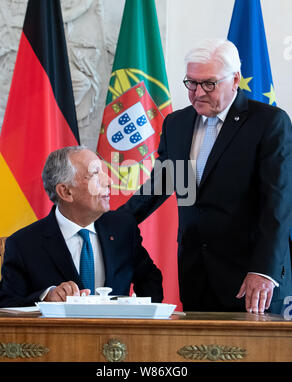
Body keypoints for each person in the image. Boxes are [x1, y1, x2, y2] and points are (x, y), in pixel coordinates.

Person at [121, 38, 292, 314]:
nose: (197, 93)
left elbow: (278, 205)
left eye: (208, 84)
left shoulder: (269, 123)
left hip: (251, 279)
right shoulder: (176, 124)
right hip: (196, 272)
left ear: (235, 79)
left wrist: (263, 270)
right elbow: (160, 184)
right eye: (191, 82)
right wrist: (108, 224)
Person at [0, 146, 163, 307]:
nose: (109, 181)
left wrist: (140, 318)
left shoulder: (123, 228)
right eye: (95, 174)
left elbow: (150, 280)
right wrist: (45, 297)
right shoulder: (23, 244)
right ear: (66, 192)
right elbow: (7, 304)